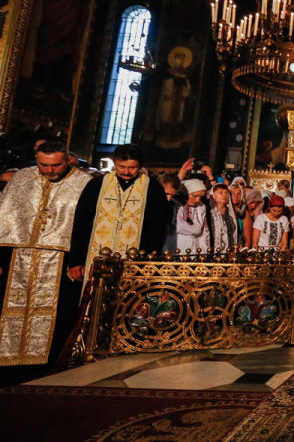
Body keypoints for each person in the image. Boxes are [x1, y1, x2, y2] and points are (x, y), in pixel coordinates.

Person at [0, 141, 90, 371]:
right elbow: (4, 218)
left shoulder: (84, 183)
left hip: (60, 259)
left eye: (56, 165)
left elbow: (84, 227)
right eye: (43, 165)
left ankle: (46, 363)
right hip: (18, 255)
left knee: (57, 314)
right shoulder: (21, 179)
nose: (49, 171)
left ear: (68, 159)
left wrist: (77, 260)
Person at [68, 144, 168, 285]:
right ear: (114, 163)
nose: (126, 172)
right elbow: (81, 223)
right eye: (121, 166)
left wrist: (149, 262)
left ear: (140, 166)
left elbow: (157, 228)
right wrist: (76, 260)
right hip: (95, 257)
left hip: (135, 260)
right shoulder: (97, 185)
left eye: (132, 168)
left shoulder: (153, 188)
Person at [175, 179, 209, 252]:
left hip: (195, 249)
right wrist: (196, 229)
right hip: (177, 247)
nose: (197, 200)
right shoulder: (176, 205)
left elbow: (203, 233)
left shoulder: (201, 206)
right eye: (195, 196)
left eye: (200, 197)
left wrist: (203, 252)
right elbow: (177, 227)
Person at [207, 183, 240, 252]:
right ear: (213, 195)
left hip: (230, 250)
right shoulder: (209, 213)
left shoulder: (231, 214)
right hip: (213, 249)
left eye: (226, 193)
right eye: (220, 193)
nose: (224, 195)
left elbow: (235, 233)